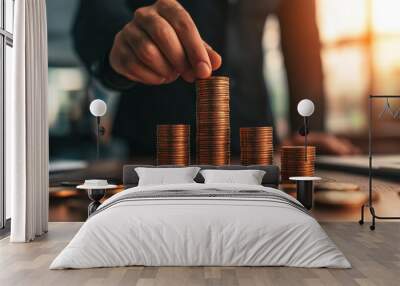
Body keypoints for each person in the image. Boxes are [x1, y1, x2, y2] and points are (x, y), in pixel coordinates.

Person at [73, 0, 360, 156]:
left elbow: (302, 45)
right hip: (154, 141)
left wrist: (308, 128)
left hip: (252, 140)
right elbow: (94, 12)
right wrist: (116, 50)